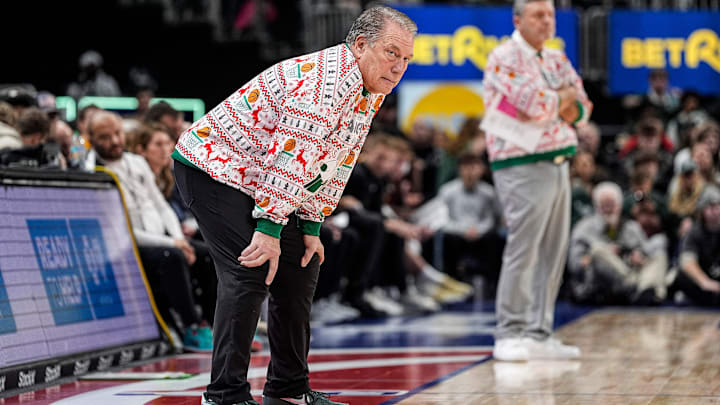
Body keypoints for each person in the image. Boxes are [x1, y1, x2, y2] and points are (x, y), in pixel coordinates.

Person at [172, 6, 416, 405]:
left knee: (302, 265)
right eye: (392, 53)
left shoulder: (369, 89)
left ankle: (287, 391)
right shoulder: (325, 82)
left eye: (406, 58)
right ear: (359, 45)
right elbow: (292, 157)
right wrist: (269, 229)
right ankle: (224, 395)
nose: (399, 66)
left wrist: (311, 227)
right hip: (213, 165)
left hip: (257, 174)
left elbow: (337, 161)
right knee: (249, 268)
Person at [483, 0, 593, 361]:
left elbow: (583, 109)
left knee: (553, 249)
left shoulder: (557, 58)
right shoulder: (504, 55)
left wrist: (561, 103)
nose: (547, 21)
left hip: (559, 158)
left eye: (550, 14)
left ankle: (538, 333)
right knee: (525, 245)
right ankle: (509, 331)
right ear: (518, 20)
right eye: (538, 15)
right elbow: (537, 104)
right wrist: (561, 100)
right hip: (520, 160)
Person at [85, 110, 215, 352]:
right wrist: (173, 245)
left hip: (164, 239)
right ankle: (191, 327)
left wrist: (178, 239)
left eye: (117, 133)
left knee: (206, 254)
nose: (114, 141)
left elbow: (161, 205)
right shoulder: (92, 172)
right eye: (105, 137)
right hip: (130, 245)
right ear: (90, 138)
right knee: (172, 257)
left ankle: (215, 323)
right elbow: (122, 230)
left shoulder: (136, 162)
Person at [568, 182, 669, 305]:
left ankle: (644, 289)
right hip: (598, 286)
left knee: (659, 248)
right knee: (598, 250)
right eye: (604, 205)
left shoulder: (632, 227)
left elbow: (645, 254)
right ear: (596, 206)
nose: (608, 209)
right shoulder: (583, 228)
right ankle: (646, 289)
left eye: (612, 204)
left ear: (620, 206)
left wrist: (637, 256)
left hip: (630, 271)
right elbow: (574, 265)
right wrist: (605, 256)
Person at [673, 185, 720, 306]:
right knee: (681, 277)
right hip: (704, 278)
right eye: (710, 207)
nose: (714, 212)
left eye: (717, 206)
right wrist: (705, 282)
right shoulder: (694, 231)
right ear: (702, 211)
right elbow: (687, 261)